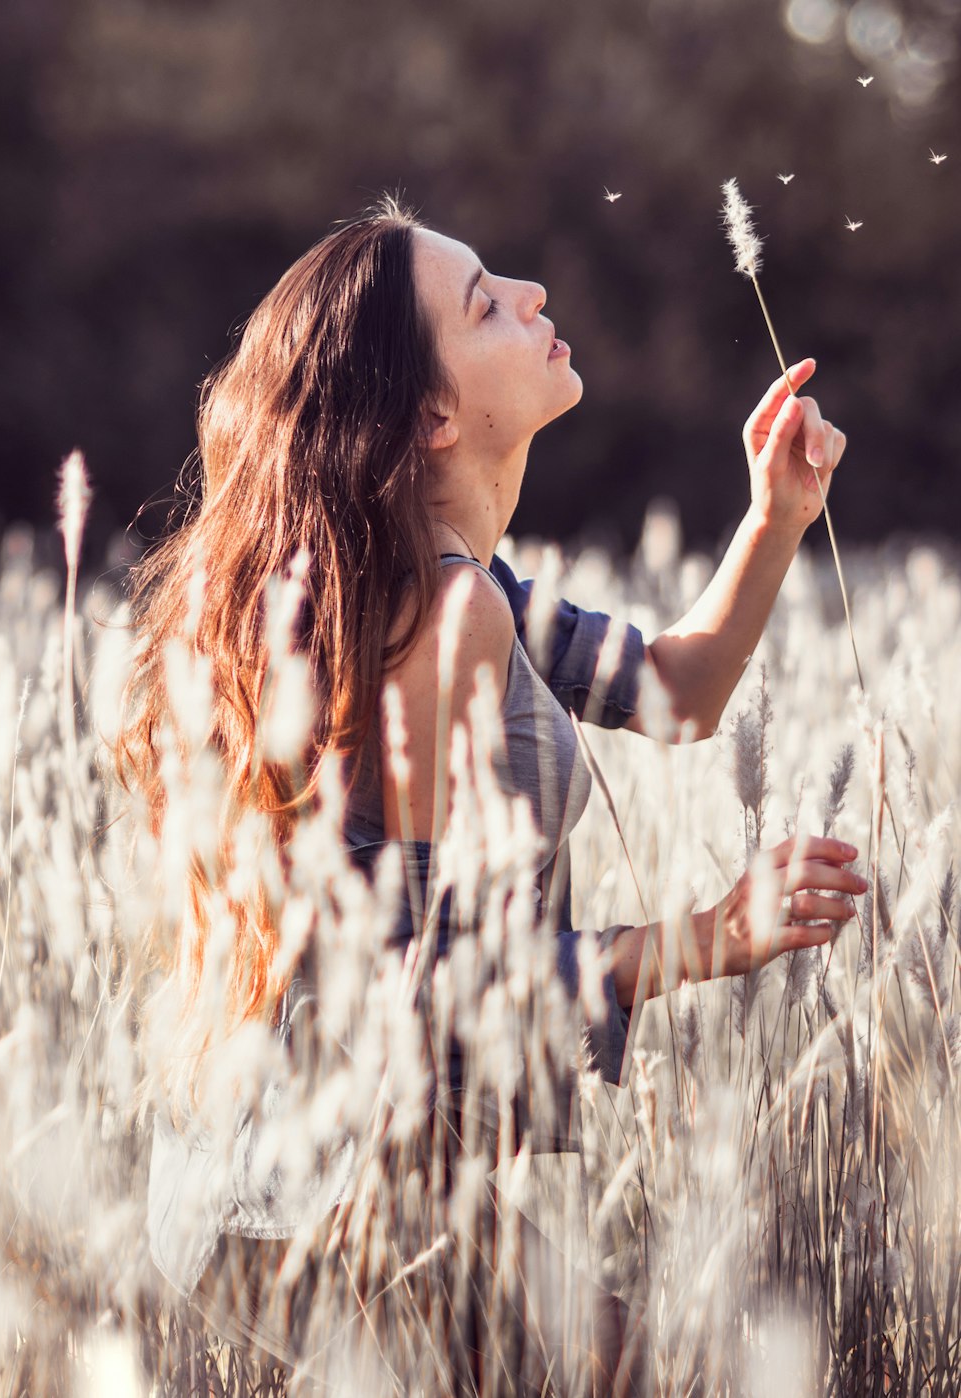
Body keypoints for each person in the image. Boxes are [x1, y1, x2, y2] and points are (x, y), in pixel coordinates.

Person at [118, 194, 865, 1395]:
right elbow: (435, 995)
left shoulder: (469, 586)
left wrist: (775, 516)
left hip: (320, 1171)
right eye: (485, 303)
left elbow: (679, 694)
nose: (533, 297)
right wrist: (713, 939)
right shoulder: (447, 619)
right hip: (312, 1198)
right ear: (434, 414)